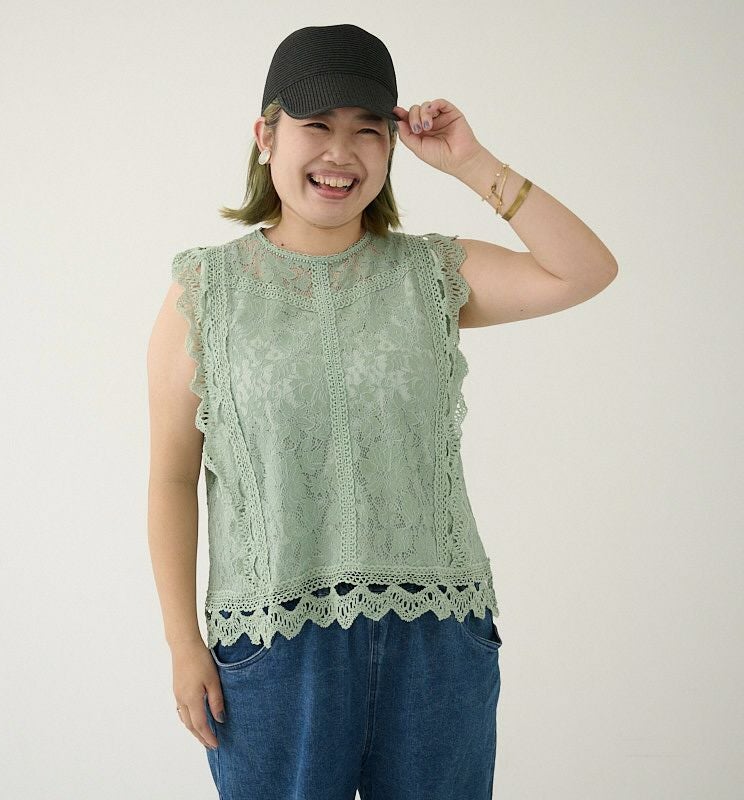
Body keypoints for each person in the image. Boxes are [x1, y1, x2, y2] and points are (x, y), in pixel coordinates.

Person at [147, 23, 617, 800]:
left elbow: (585, 270)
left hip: (436, 639)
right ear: (266, 136)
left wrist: (471, 163)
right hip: (273, 643)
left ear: (392, 147)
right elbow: (172, 477)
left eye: (367, 130)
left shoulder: (430, 274)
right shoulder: (205, 293)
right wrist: (181, 643)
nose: (341, 153)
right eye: (317, 125)